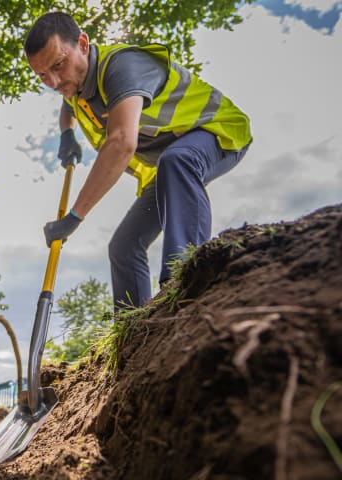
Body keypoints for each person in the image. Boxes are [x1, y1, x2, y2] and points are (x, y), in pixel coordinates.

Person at [24, 12, 252, 309]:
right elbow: (67, 104)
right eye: (42, 75)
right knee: (123, 247)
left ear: (82, 43)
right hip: (170, 165)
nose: (53, 81)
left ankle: (183, 282)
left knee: (177, 160)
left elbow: (121, 143)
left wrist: (73, 218)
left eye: (58, 65)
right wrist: (67, 134)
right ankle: (132, 329)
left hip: (215, 130)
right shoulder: (74, 84)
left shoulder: (122, 67)